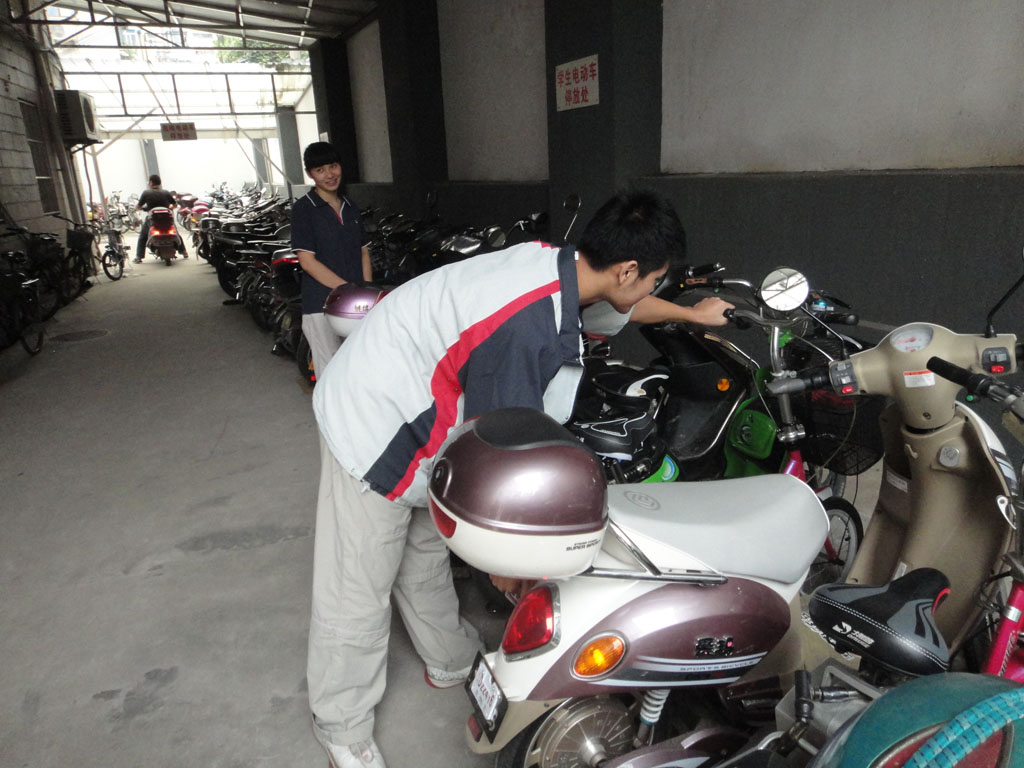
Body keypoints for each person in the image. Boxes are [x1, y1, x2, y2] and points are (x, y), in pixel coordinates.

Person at [306, 189, 733, 768]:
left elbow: (626, 309)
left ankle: (451, 659)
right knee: (357, 588)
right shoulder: (525, 326)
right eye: (654, 280)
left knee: (425, 551)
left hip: (421, 399)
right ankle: (341, 724)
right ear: (628, 269)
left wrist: (692, 315)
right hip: (376, 422)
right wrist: (509, 567)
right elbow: (494, 461)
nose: (651, 291)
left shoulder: (565, 268)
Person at [290, 142, 372, 377]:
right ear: (310, 174)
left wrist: (366, 292)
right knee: (329, 372)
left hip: (355, 304)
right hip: (321, 304)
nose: (329, 174)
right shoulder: (304, 209)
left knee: (358, 367)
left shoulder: (350, 206)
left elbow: (363, 251)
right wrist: (348, 290)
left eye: (333, 166)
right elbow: (307, 261)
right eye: (320, 170)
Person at [133, 174, 186, 263]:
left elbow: (138, 206)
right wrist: (170, 208)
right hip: (167, 219)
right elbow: (175, 205)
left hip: (153, 220)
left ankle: (139, 256)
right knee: (176, 233)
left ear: (151, 182)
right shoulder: (166, 192)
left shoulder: (146, 193)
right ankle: (184, 252)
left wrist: (136, 209)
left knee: (143, 236)